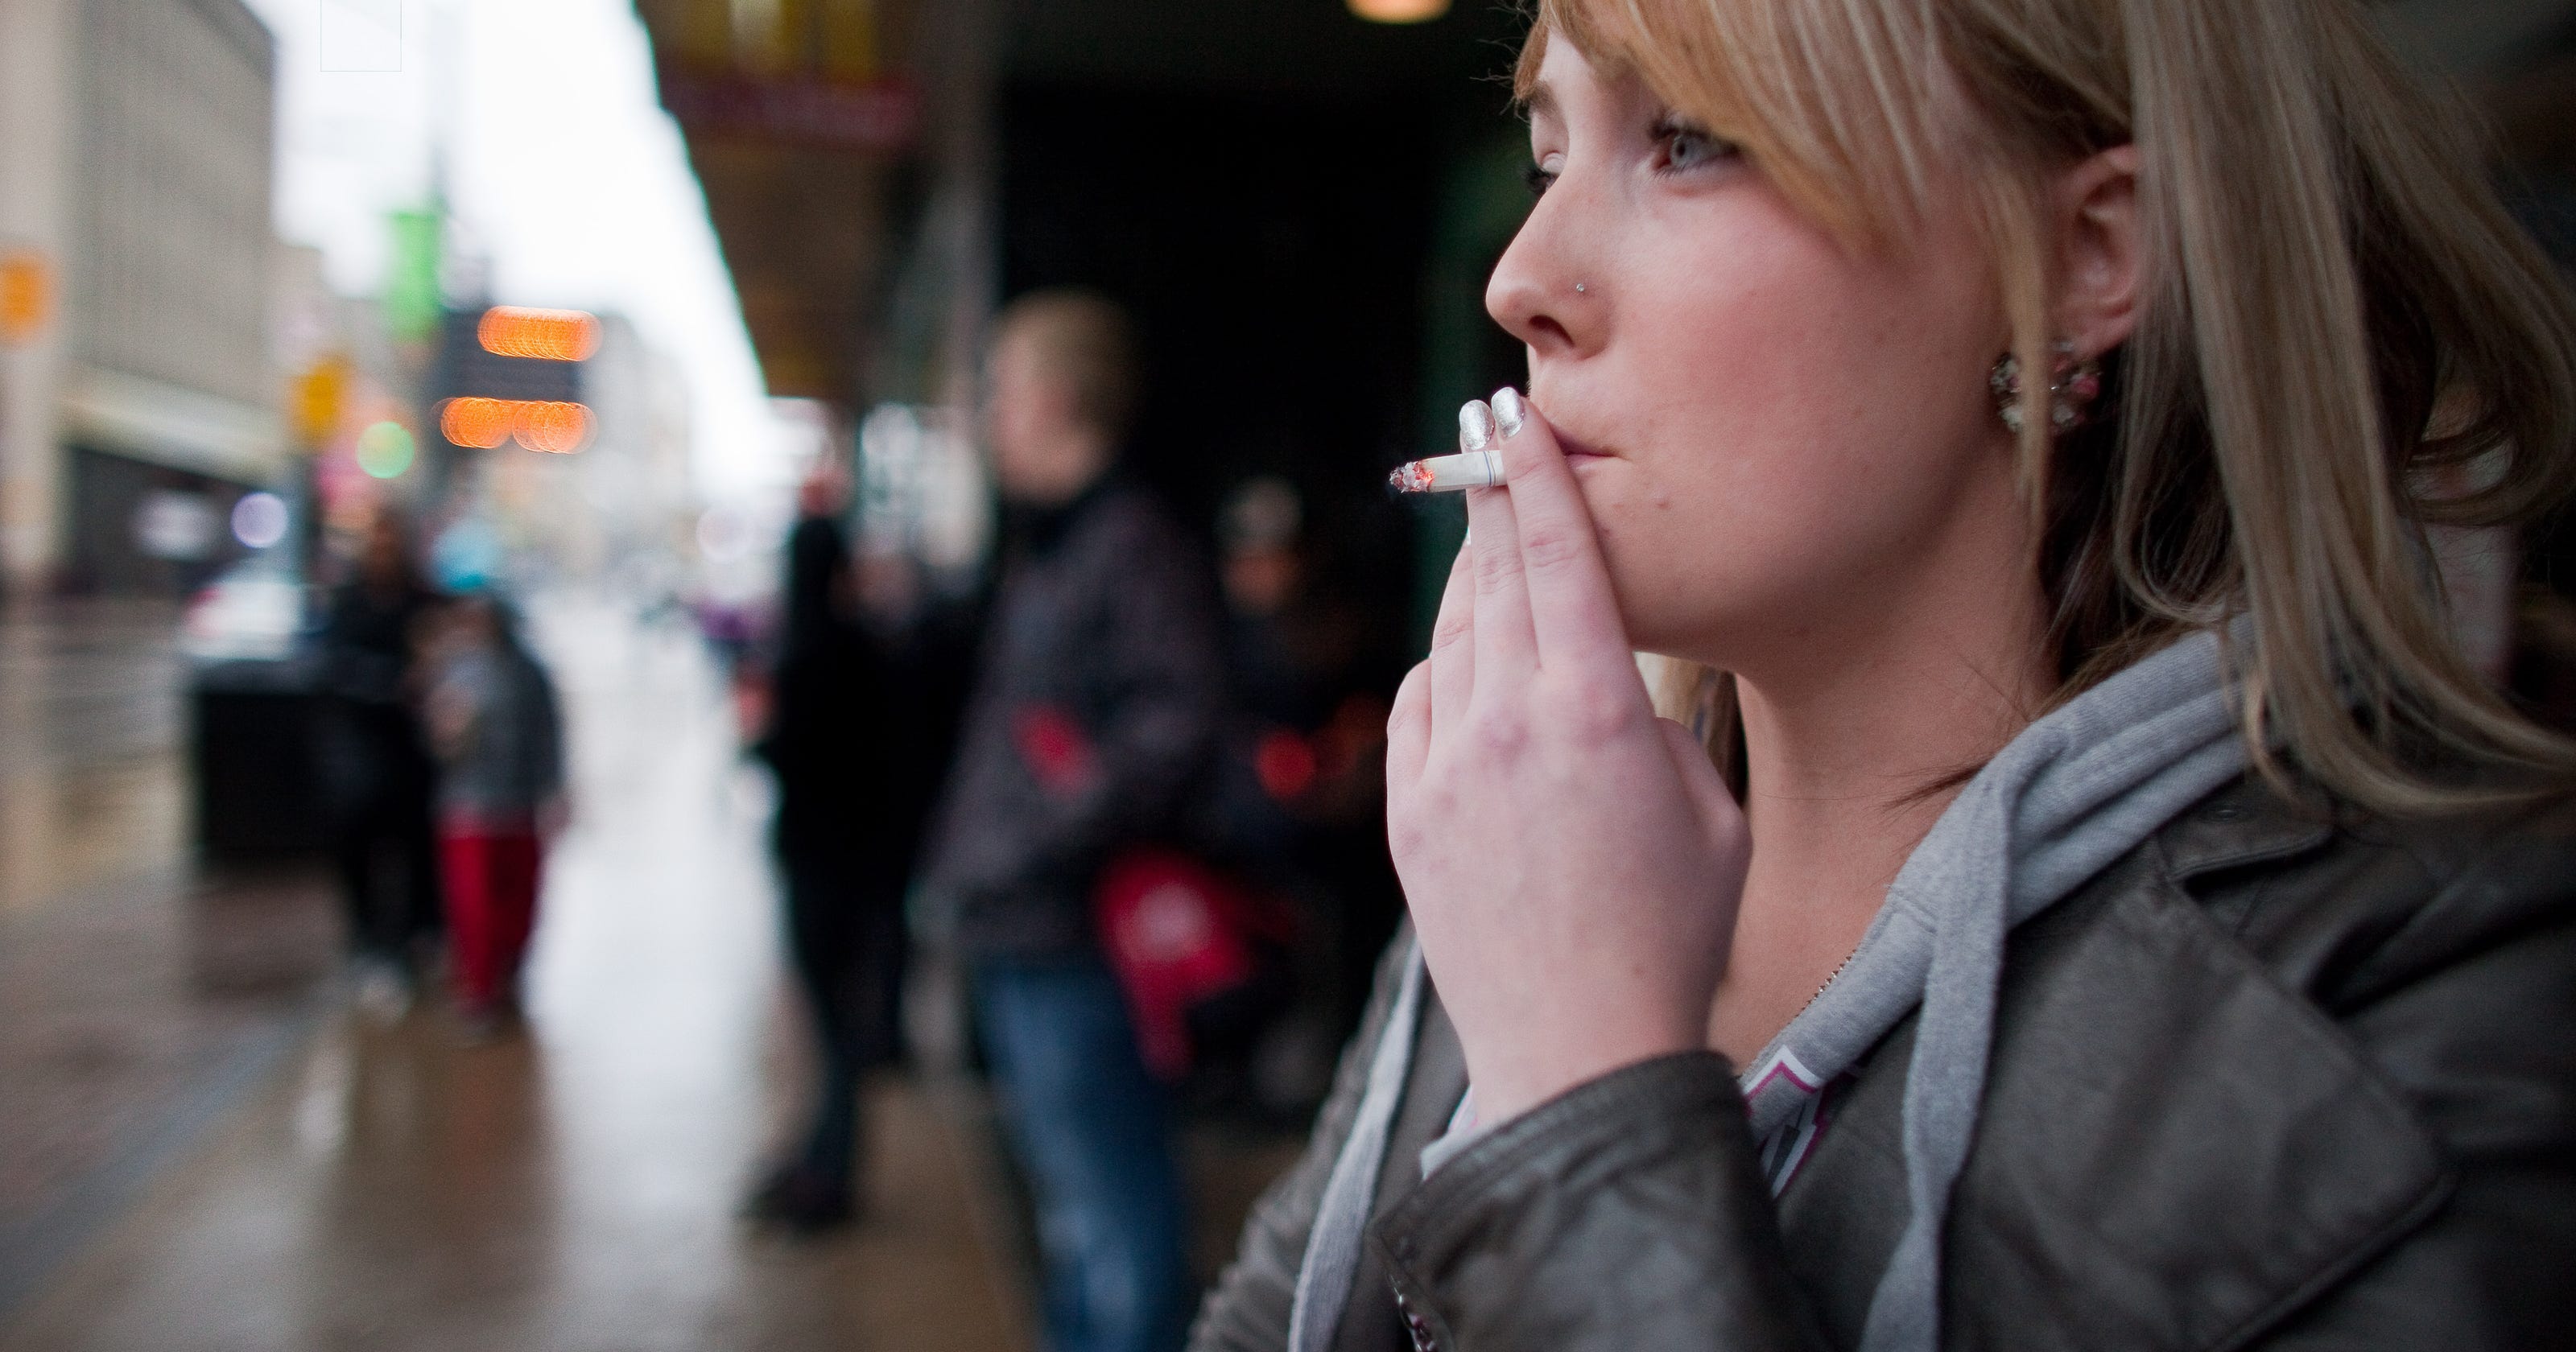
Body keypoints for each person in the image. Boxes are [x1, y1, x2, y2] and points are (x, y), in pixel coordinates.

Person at [1192, 2, 2576, 1350]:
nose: (1521, 282)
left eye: (1688, 140)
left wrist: (1580, 1091)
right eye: (1552, 155)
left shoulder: (2442, 997)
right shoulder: (1547, 827)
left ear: (2087, 251)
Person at [923, 289, 1226, 1352]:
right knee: (1071, 1215)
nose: (990, 415)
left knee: (1113, 1213)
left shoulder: (1126, 543)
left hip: (1076, 941)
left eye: (1000, 390)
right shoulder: (1056, 546)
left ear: (1053, 399)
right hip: (1028, 929)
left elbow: (1179, 723)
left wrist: (1026, 848)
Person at [745, 479, 919, 1230]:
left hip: (823, 866)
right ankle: (816, 1159)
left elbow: (789, 755)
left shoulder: (806, 653)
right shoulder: (870, 647)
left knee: (830, 1026)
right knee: (832, 1023)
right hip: (862, 865)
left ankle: (828, 1174)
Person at [316, 509, 444, 1015]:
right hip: (364, 749)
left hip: (414, 756)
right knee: (361, 845)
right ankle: (371, 944)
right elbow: (331, 668)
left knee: (416, 850)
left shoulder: (422, 601)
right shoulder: (349, 602)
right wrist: (391, 685)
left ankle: (415, 937)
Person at [421, 590, 565, 1039]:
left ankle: (509, 972)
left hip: (518, 806)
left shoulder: (529, 672)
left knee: (518, 901)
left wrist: (554, 789)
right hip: (468, 808)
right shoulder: (454, 670)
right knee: (474, 906)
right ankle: (479, 990)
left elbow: (549, 733)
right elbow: (436, 739)